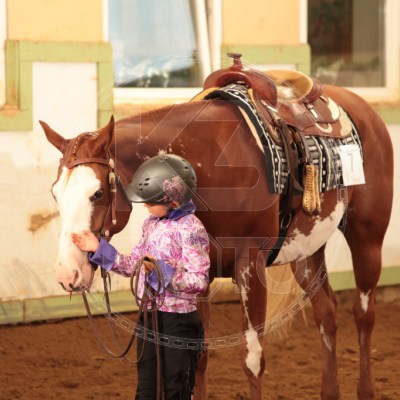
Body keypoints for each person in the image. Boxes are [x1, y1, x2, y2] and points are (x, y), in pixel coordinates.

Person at [72, 154, 210, 400]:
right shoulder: (151, 224)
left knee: (174, 389)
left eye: (150, 201)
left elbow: (199, 281)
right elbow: (131, 265)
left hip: (178, 322)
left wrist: (162, 273)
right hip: (148, 317)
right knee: (145, 388)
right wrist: (98, 249)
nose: (145, 205)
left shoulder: (192, 229)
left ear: (172, 200)